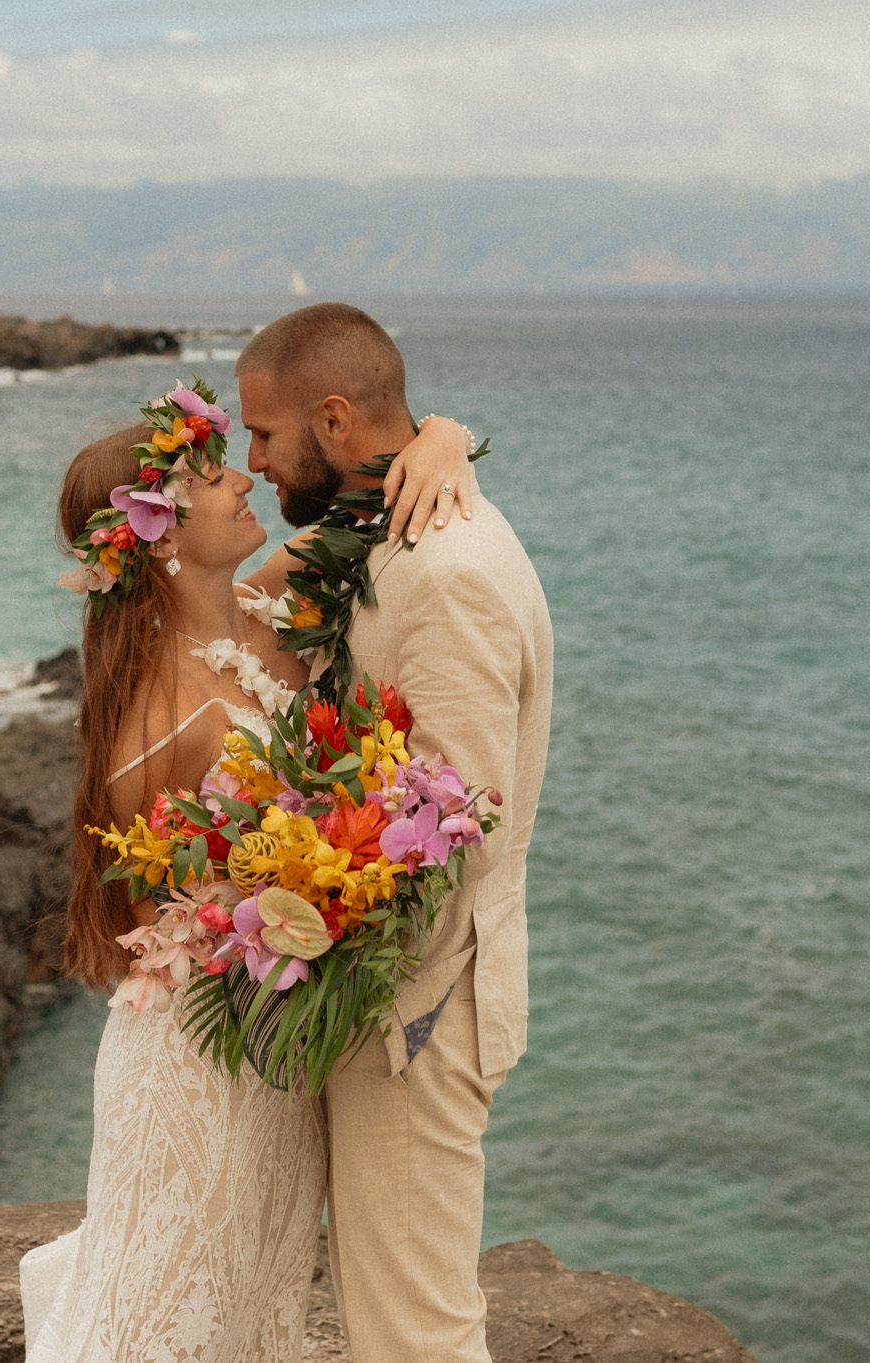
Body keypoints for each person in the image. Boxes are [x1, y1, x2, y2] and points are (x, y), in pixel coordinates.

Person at [19, 390, 478, 1363]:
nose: (240, 480)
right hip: (198, 1057)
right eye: (207, 477)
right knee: (173, 1313)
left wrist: (444, 438)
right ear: (157, 540)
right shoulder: (156, 718)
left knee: (253, 1301)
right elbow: (164, 913)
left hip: (265, 1045)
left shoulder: (262, 612)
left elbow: (370, 497)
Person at [236, 302, 554, 1363]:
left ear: (331, 420)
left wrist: (366, 1000)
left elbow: (458, 826)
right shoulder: (383, 522)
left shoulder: (450, 569)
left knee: (413, 1336)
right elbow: (235, 589)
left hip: (412, 1015)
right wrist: (441, 431)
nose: (253, 463)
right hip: (375, 1008)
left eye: (264, 436)